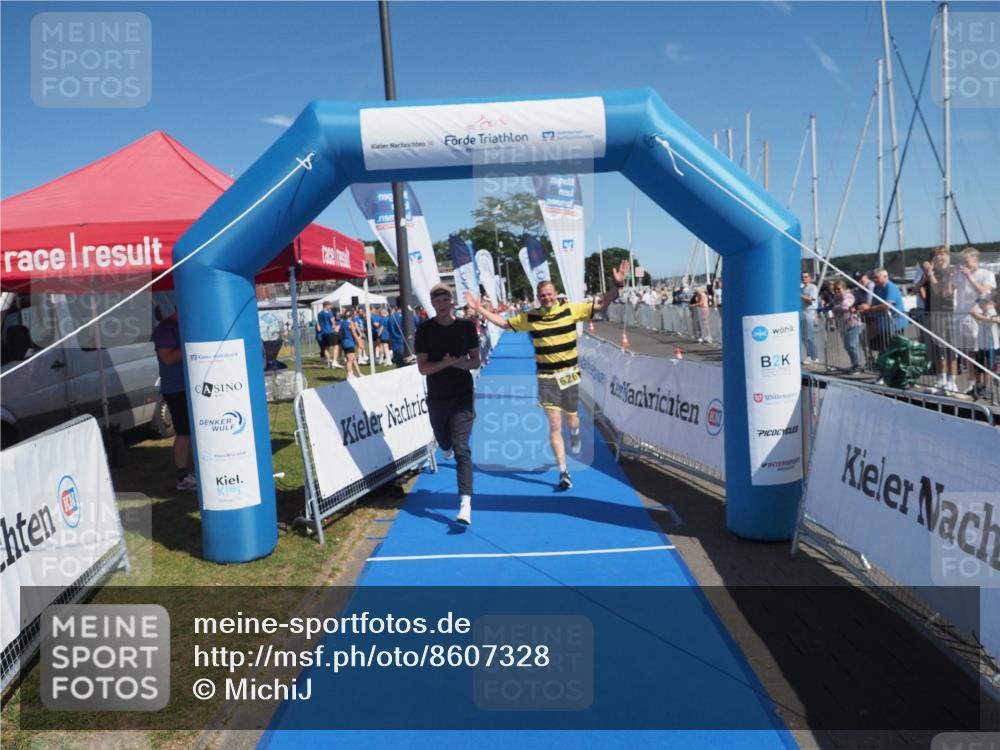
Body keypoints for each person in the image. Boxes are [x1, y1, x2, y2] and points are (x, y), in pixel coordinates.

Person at [465, 261, 630, 491]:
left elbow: (601, 304)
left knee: (571, 418)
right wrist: (479, 309)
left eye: (549, 294)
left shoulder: (571, 309)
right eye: (542, 295)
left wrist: (616, 285)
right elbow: (503, 322)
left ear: (556, 294)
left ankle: (574, 433)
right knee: (554, 424)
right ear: (537, 297)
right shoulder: (530, 317)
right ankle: (563, 472)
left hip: (569, 375)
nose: (546, 298)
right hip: (547, 377)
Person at [415, 283, 481, 525]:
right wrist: (446, 363)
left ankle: (465, 504)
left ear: (452, 302)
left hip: (463, 394)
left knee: (462, 448)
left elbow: (475, 361)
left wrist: (457, 364)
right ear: (432, 304)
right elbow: (423, 368)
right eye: (437, 301)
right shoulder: (424, 330)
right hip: (437, 396)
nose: (441, 305)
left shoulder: (465, 326)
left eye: (445, 300)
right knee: (444, 440)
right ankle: (445, 444)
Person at [152, 310, 196, 491]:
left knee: (194, 430)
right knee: (184, 431)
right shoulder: (166, 328)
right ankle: (182, 476)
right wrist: (191, 345)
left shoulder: (186, 324)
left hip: (194, 386)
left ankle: (196, 471)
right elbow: (168, 358)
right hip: (177, 388)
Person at [857, 268, 908, 368]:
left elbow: (887, 305)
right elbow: (873, 303)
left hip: (895, 324)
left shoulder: (890, 287)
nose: (875, 280)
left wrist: (869, 309)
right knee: (879, 345)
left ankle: (895, 369)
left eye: (877, 278)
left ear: (885, 277)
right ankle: (880, 366)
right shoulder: (876, 288)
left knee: (893, 348)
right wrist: (864, 307)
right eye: (874, 278)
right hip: (882, 324)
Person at [823, 279, 862, 371]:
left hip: (852, 324)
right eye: (835, 289)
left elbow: (846, 303)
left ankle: (858, 365)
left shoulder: (848, 296)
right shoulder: (836, 298)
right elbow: (830, 306)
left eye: (838, 289)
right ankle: (854, 364)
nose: (836, 291)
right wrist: (822, 309)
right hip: (842, 326)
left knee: (851, 344)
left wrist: (844, 306)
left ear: (844, 288)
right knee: (847, 346)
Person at [800, 271, 820, 364]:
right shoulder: (801, 288)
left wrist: (801, 296)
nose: (804, 278)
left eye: (806, 277)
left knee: (809, 337)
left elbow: (810, 300)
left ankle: (814, 357)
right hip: (802, 314)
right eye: (802, 277)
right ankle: (809, 355)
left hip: (810, 314)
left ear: (810, 278)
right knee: (804, 337)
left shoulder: (812, 287)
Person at [338, 310, 364, 379]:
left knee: (354, 359)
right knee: (350, 360)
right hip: (349, 343)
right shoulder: (350, 323)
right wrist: (359, 342)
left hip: (344, 342)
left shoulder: (342, 322)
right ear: (351, 316)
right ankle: (350, 375)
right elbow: (354, 333)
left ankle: (359, 373)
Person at [316, 301, 341, 369]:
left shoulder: (319, 314)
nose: (330, 307)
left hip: (323, 333)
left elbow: (319, 323)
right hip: (330, 331)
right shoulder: (329, 313)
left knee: (326, 348)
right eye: (330, 305)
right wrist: (335, 325)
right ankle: (335, 361)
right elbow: (333, 322)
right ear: (326, 305)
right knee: (336, 346)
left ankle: (328, 362)